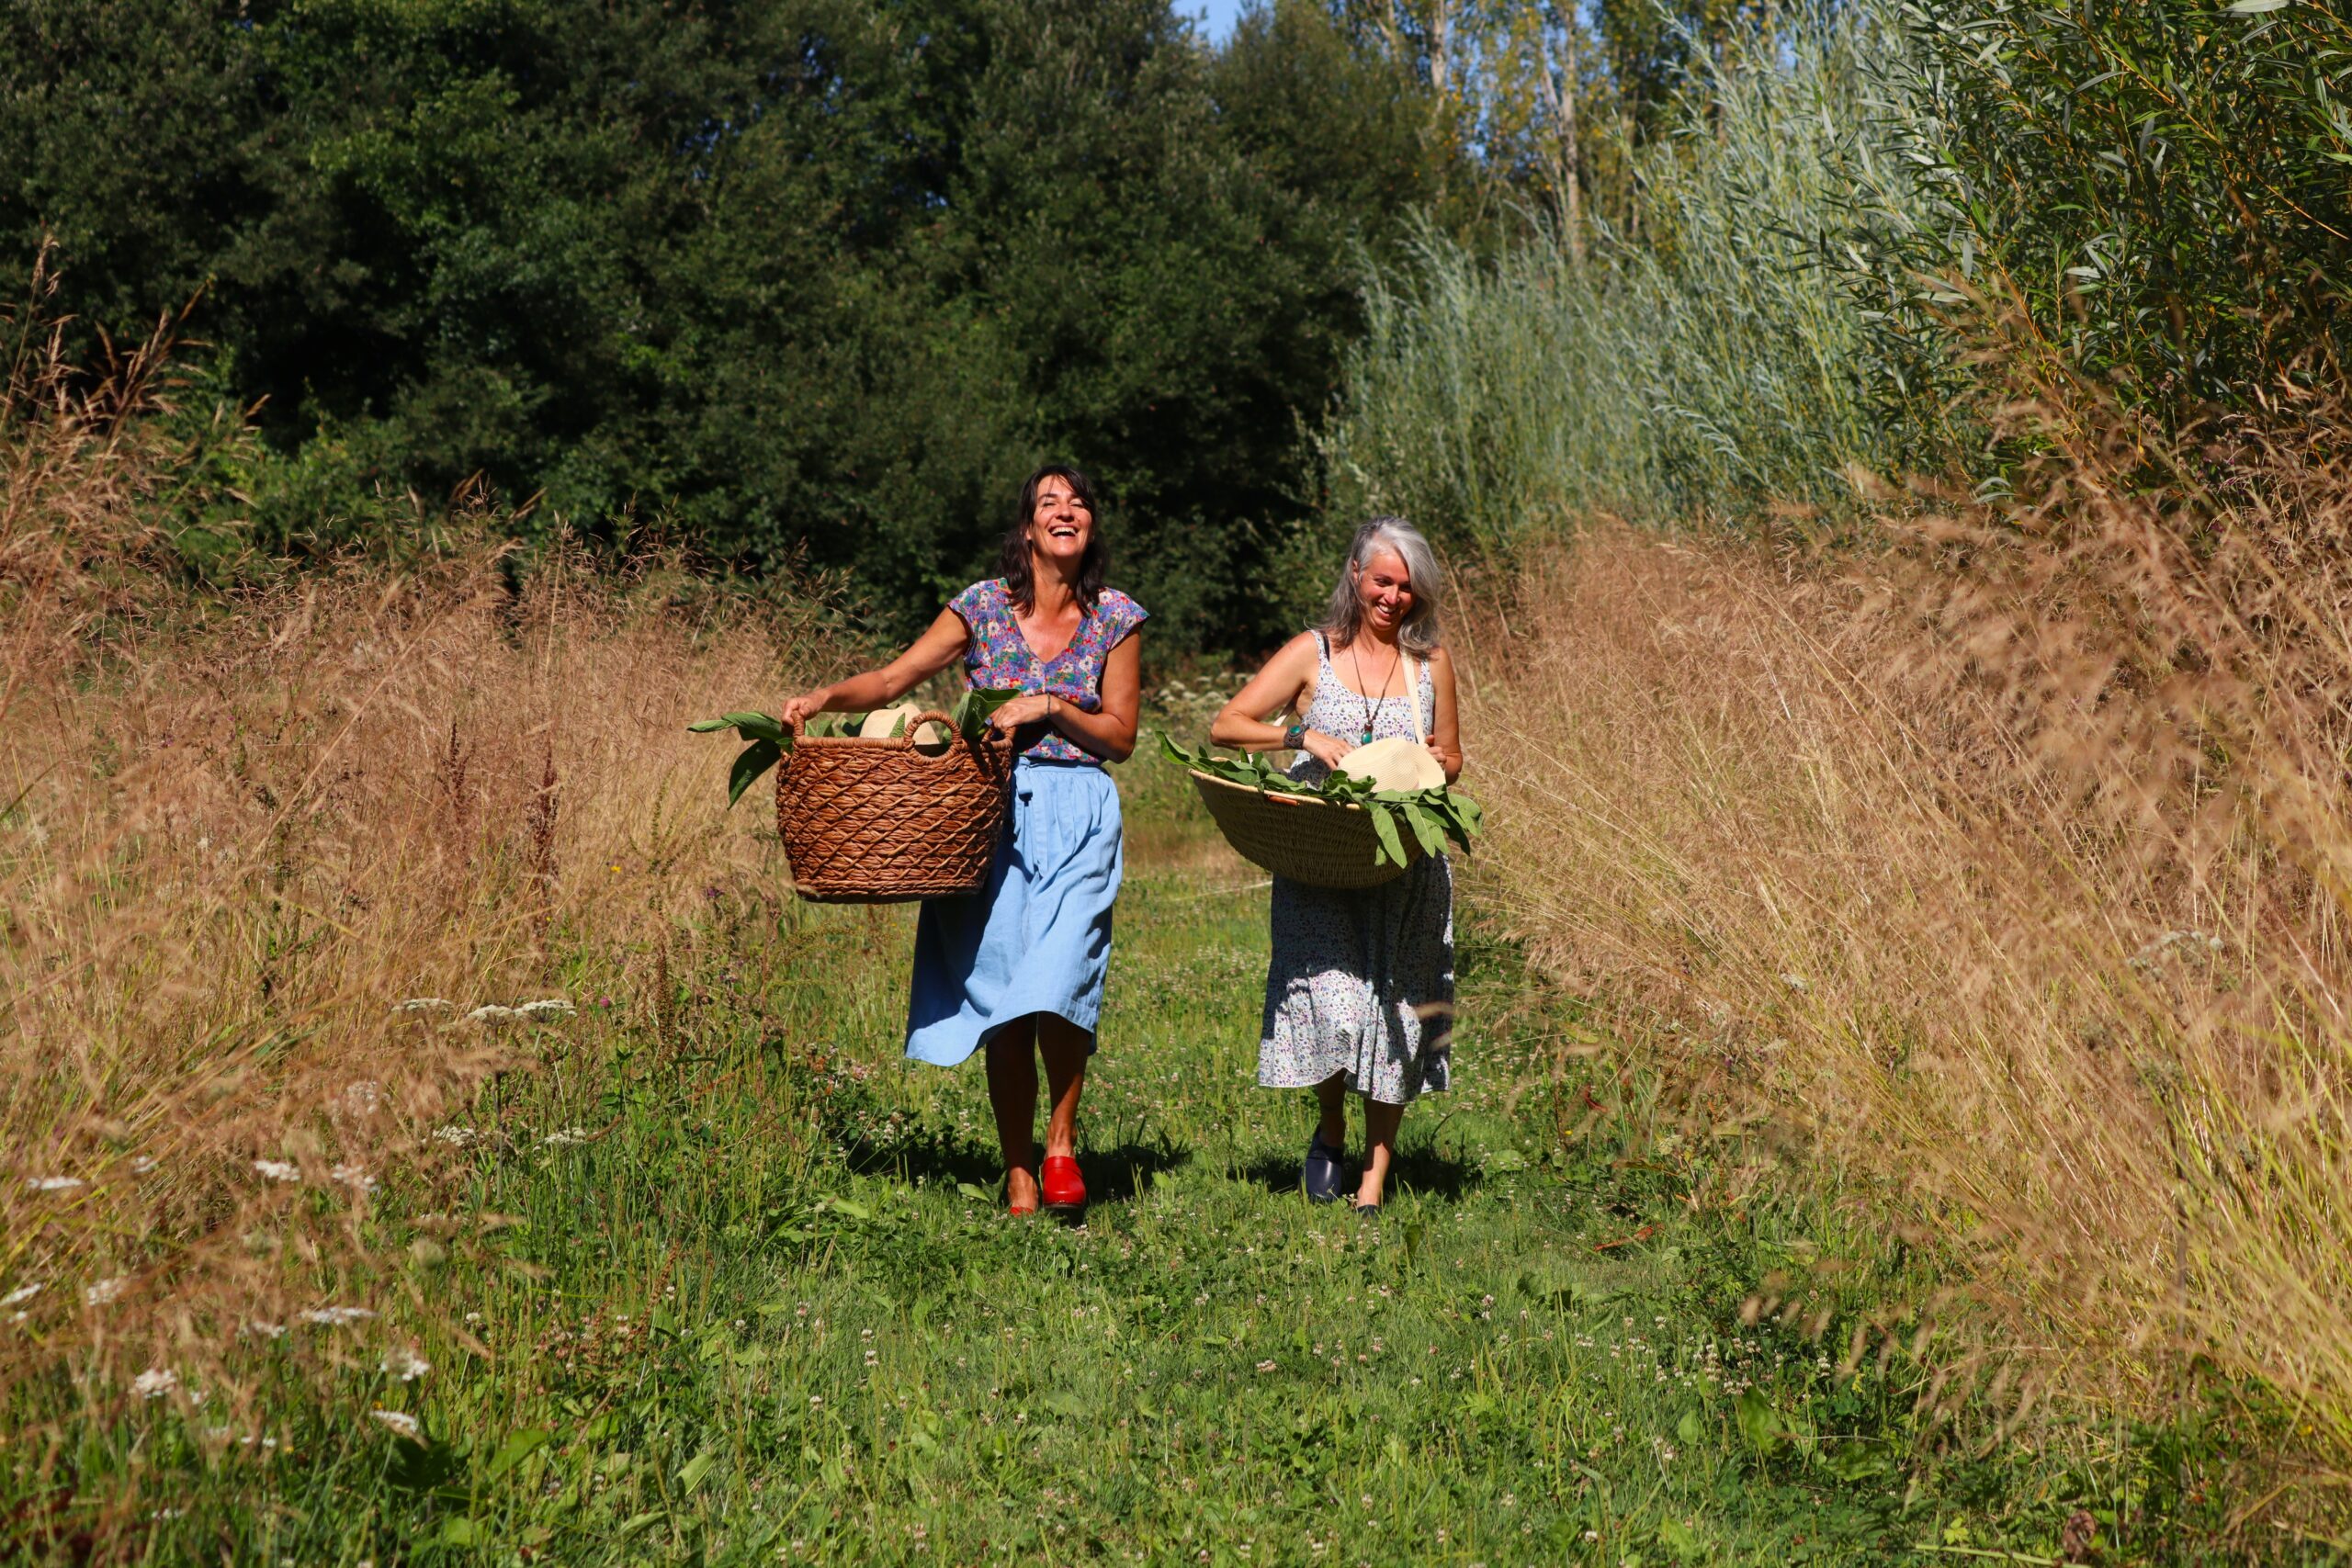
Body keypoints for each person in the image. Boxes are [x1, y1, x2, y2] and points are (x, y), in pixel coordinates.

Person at [781, 466, 1145, 1215]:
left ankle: (1061, 1144)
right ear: (1028, 528)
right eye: (1050, 502)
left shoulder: (1117, 618)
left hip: (1079, 812)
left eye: (1079, 502)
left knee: (1062, 979)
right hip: (985, 815)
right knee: (1007, 995)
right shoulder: (981, 606)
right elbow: (893, 680)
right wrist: (822, 697)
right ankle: (1017, 1168)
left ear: (1091, 526)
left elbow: (1120, 735)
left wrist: (1050, 706)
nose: (1066, 510)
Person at [1209, 519, 1462, 1212]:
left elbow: (1453, 758)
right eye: (1383, 581)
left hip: (1404, 862)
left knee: (1397, 1011)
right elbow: (1226, 724)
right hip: (1318, 858)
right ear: (1356, 574)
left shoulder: (1429, 663)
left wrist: (1434, 763)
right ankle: (1330, 1129)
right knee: (1330, 1002)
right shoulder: (1311, 653)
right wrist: (1301, 735)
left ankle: (1374, 1178)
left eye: (1407, 587)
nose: (1393, 597)